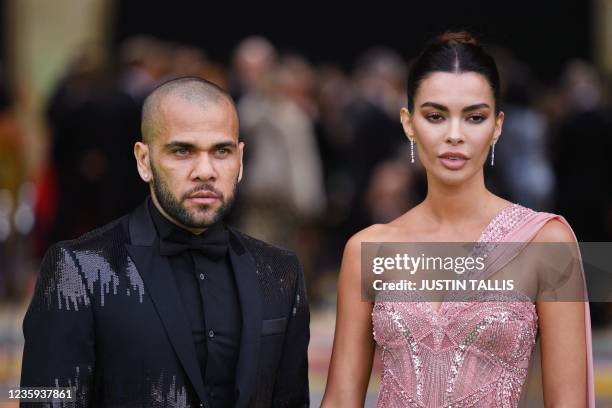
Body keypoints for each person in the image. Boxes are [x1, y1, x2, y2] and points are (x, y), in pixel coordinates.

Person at [321, 32, 594, 407]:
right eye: (435, 116)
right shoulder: (368, 249)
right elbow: (339, 400)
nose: (454, 135)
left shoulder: (546, 243)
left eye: (474, 117)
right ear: (408, 123)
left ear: (497, 126)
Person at [20, 77, 310, 408]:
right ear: (144, 161)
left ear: (240, 160)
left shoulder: (281, 271)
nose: (205, 171)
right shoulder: (78, 269)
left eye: (221, 151)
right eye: (182, 151)